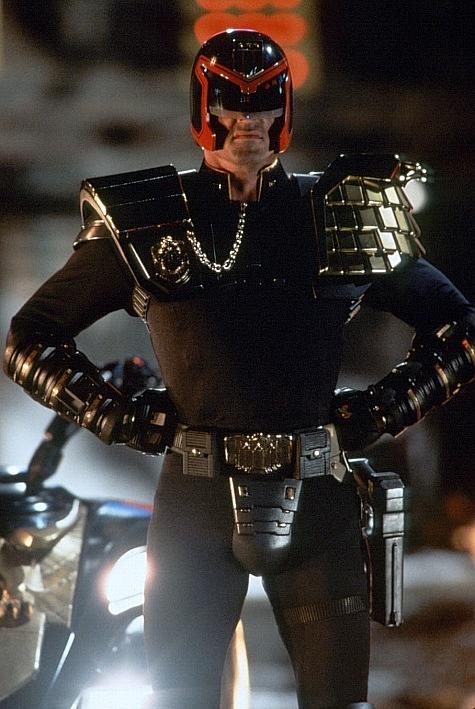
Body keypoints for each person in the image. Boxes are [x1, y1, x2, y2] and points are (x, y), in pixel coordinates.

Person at [3, 29, 475, 709]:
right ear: (205, 109)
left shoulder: (337, 212)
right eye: (231, 105)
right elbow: (30, 340)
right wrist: (122, 419)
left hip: (316, 496)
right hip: (195, 501)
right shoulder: (146, 219)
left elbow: (460, 330)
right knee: (179, 699)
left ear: (283, 110)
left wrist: (384, 408)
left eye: (261, 106)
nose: (246, 123)